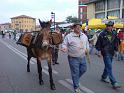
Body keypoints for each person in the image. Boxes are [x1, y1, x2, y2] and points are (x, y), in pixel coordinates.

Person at [61, 23, 89, 93]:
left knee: (84, 69)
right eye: (77, 27)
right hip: (73, 58)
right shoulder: (69, 36)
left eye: (80, 27)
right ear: (74, 28)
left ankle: (75, 79)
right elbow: (64, 44)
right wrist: (64, 48)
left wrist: (87, 49)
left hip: (82, 57)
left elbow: (87, 44)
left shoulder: (84, 36)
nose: (79, 29)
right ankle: (76, 86)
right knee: (75, 72)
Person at [95, 21, 121, 89]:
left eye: (110, 26)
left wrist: (116, 51)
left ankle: (103, 77)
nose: (108, 27)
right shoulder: (102, 34)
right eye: (107, 26)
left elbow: (116, 42)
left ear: (112, 26)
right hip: (105, 52)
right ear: (106, 26)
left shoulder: (114, 33)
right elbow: (98, 43)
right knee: (109, 67)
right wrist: (99, 51)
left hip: (111, 52)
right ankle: (114, 82)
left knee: (107, 66)